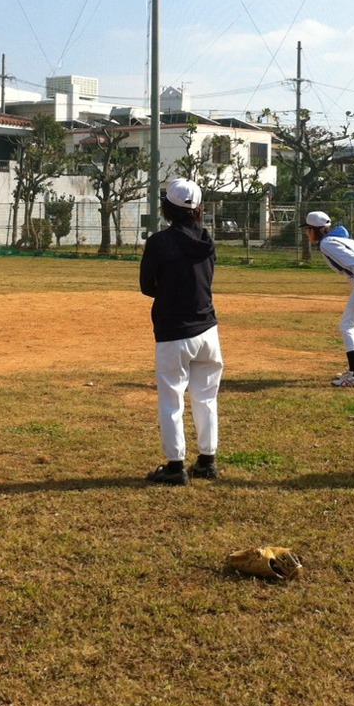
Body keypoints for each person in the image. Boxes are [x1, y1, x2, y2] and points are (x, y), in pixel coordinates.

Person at [138, 178, 224, 485]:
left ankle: (176, 467)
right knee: (205, 398)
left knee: (171, 399)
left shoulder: (159, 242)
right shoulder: (207, 239)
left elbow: (147, 287)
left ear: (166, 209)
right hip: (208, 331)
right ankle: (207, 461)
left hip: (174, 331)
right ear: (198, 209)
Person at [304, 211, 354, 387]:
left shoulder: (328, 243)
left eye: (308, 229)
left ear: (316, 229)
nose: (306, 233)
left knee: (347, 325)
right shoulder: (337, 240)